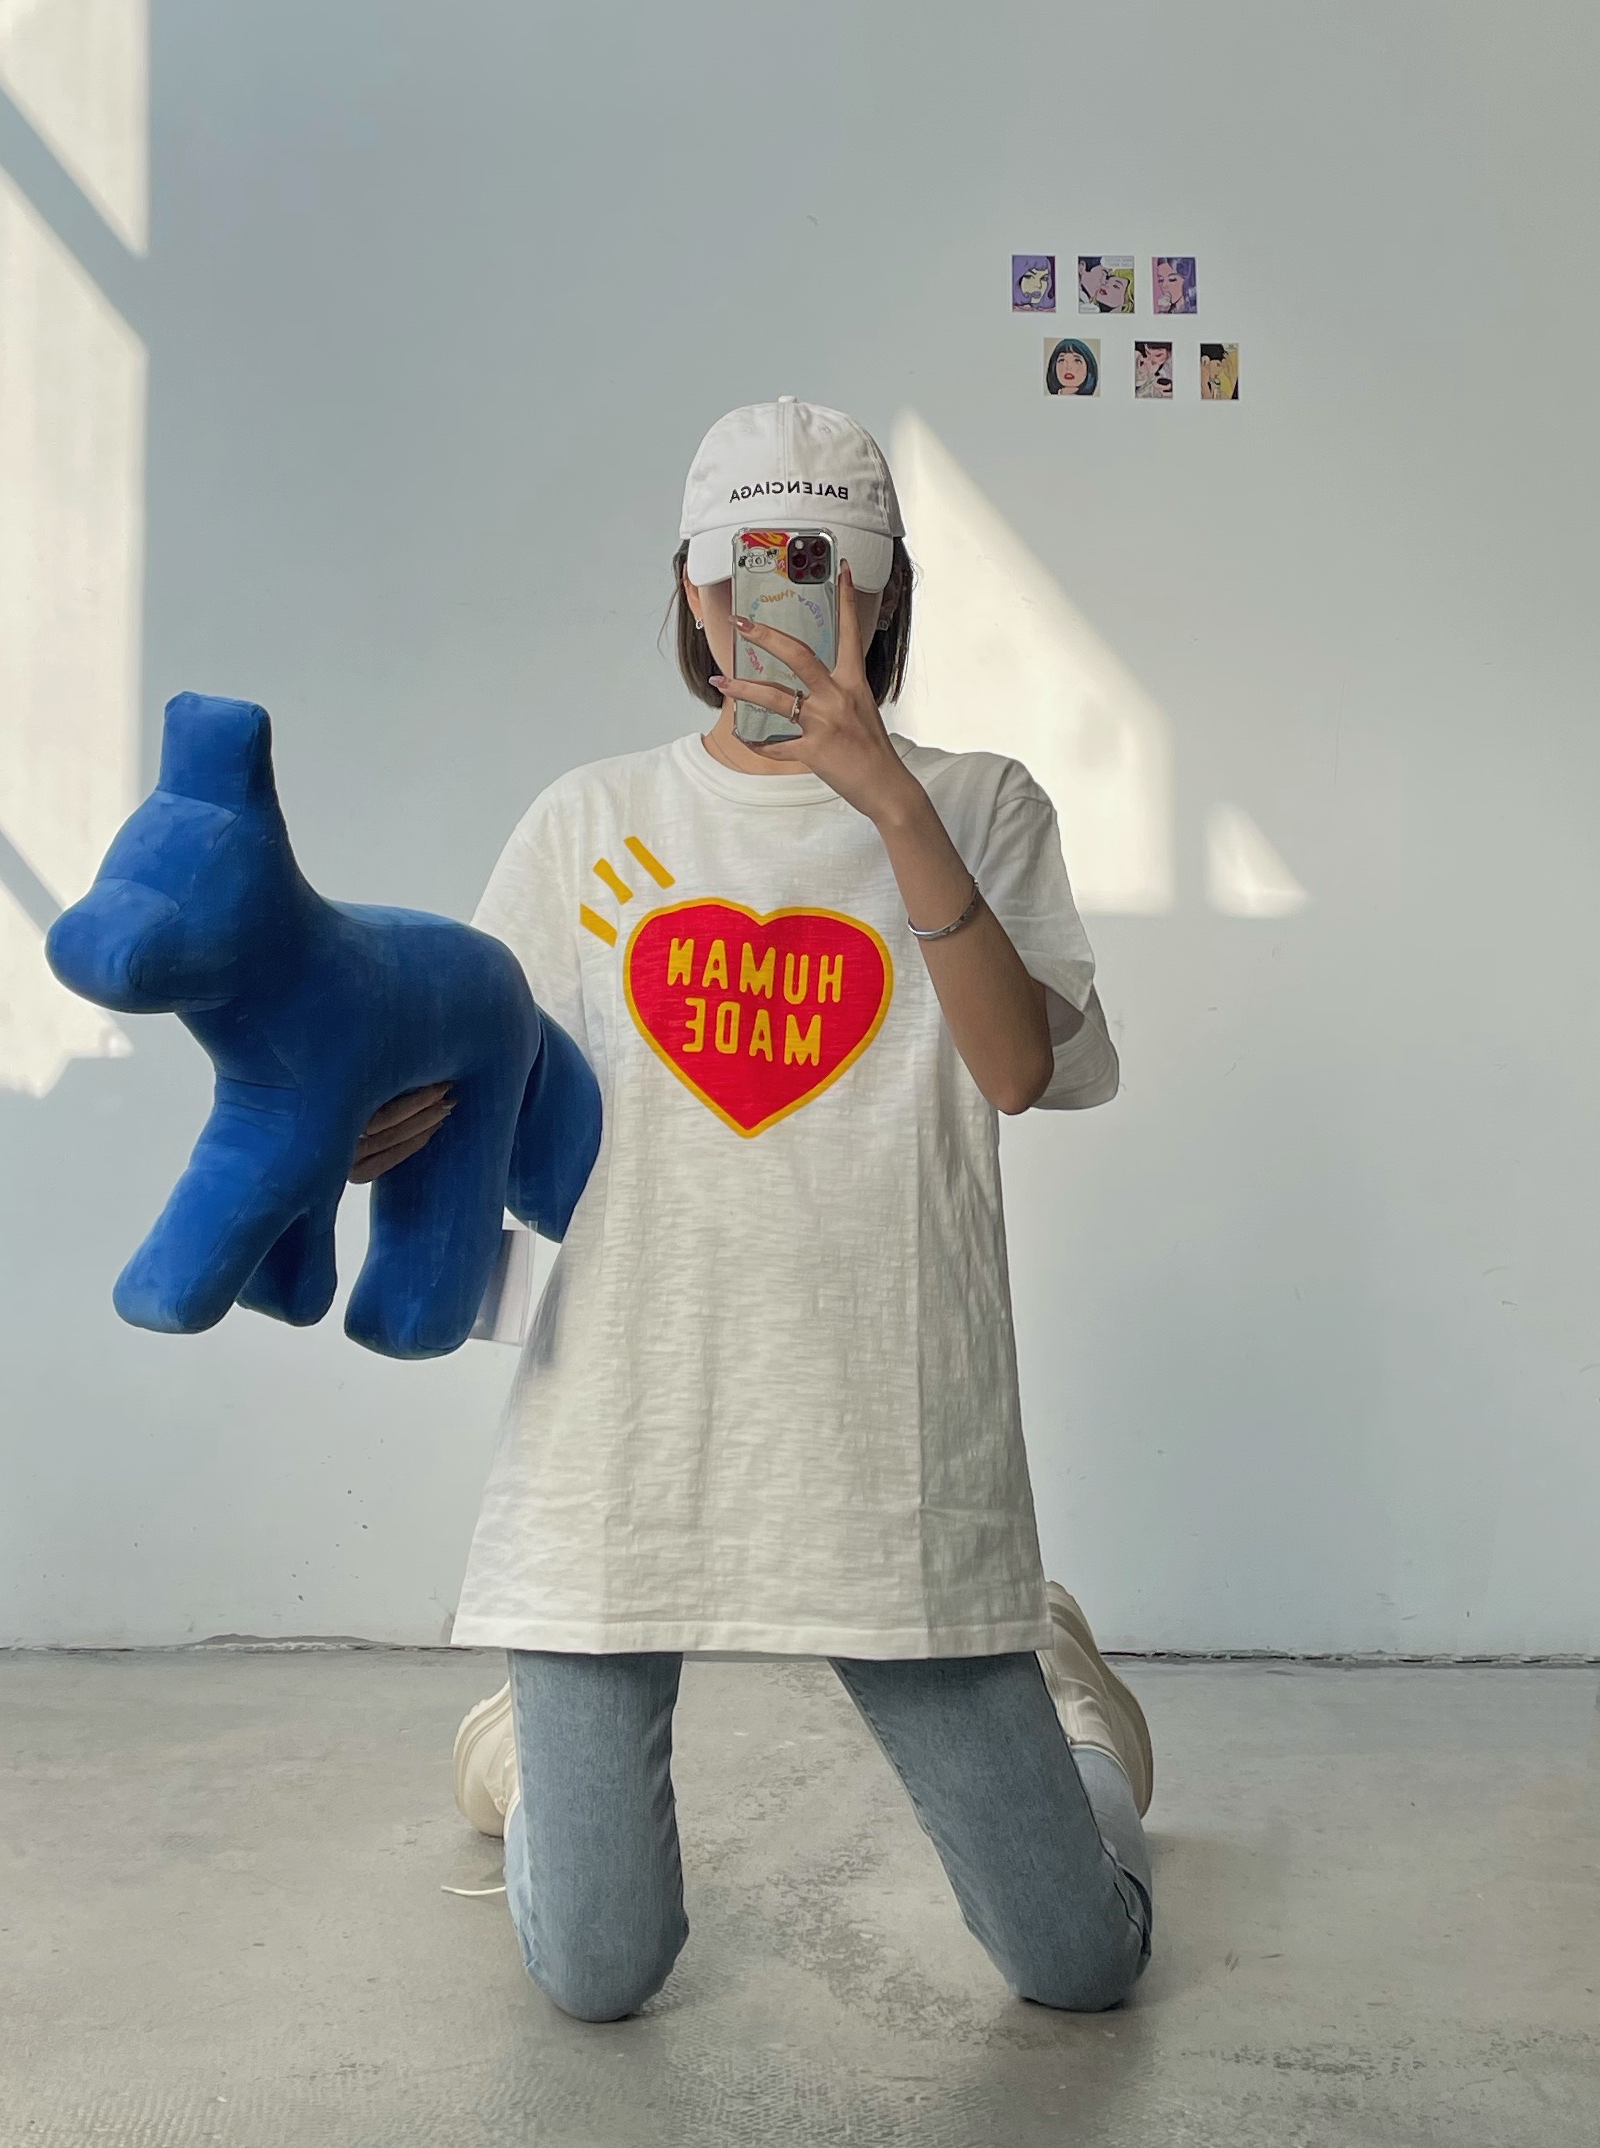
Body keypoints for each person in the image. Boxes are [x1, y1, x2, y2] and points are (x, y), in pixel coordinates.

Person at [354, 398, 1154, 2024]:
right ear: (687, 587)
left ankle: (1071, 1720)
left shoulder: (980, 804)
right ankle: (530, 1749)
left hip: (890, 1443)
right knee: (598, 1974)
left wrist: (888, 802)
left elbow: (1016, 1069)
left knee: (1080, 1968)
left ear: (883, 589)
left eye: (818, 568)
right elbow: (485, 1076)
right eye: (737, 573)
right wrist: (379, 1131)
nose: (769, 610)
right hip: (620, 1440)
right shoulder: (586, 822)